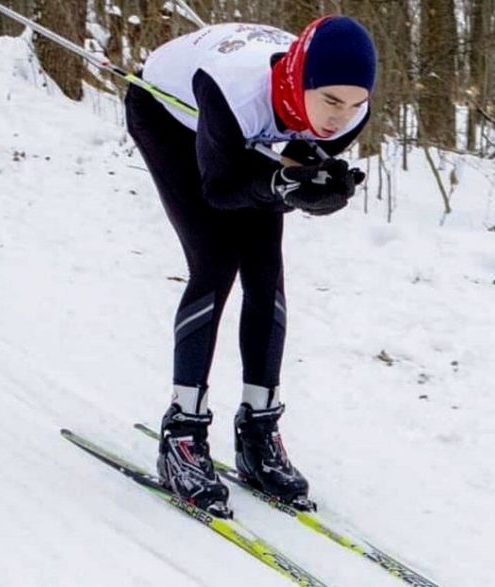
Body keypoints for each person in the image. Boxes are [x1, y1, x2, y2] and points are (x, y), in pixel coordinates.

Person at [124, 15, 376, 516]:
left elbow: (301, 163)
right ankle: (183, 433)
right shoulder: (235, 92)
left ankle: (258, 432)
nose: (339, 117)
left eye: (354, 104)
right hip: (171, 116)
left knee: (265, 271)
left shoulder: (348, 111)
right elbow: (220, 192)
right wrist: (281, 186)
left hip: (244, 130)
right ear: (303, 79)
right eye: (329, 101)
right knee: (215, 263)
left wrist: (315, 187)